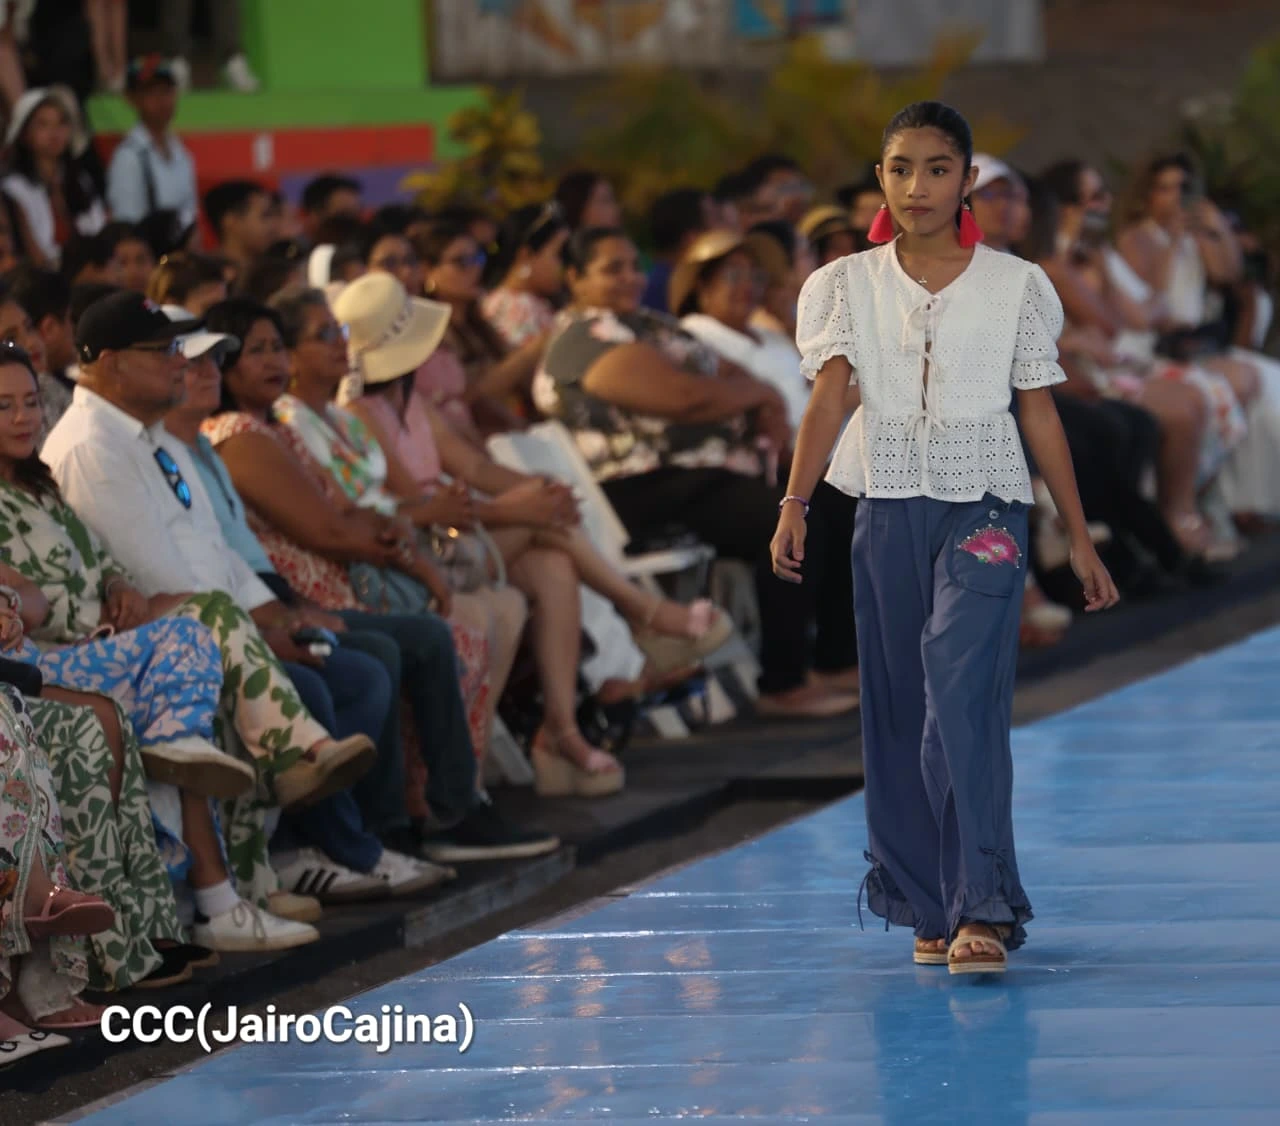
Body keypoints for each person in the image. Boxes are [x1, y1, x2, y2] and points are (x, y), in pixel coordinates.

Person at [771, 102, 1119, 975]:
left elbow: (1040, 414)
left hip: (988, 507)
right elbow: (829, 398)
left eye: (937, 168)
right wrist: (795, 501)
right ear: (879, 178)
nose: (917, 185)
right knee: (897, 706)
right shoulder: (843, 285)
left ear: (966, 180)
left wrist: (1078, 535)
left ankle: (982, 906)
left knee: (959, 691)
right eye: (900, 168)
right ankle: (928, 901)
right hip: (886, 507)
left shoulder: (1015, 285)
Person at [2, 86, 107, 268]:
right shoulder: (12, 188)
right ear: (24, 134)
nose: (54, 132)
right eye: (43, 124)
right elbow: (34, 258)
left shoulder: (80, 180)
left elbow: (100, 230)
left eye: (61, 123)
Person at [106, 56, 199, 229]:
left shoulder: (182, 153)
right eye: (151, 92)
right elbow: (126, 228)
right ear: (132, 99)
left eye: (167, 91)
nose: (161, 100)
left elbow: (190, 218)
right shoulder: (128, 158)